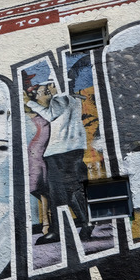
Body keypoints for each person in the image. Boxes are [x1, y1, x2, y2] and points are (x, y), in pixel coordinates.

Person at [24, 76, 92, 244]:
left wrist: (29, 102)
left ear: (55, 84)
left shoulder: (60, 98)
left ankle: (73, 225)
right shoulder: (74, 99)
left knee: (61, 191)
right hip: (72, 148)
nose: (48, 91)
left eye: (49, 88)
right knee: (67, 190)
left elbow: (50, 115)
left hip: (60, 150)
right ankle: (77, 224)